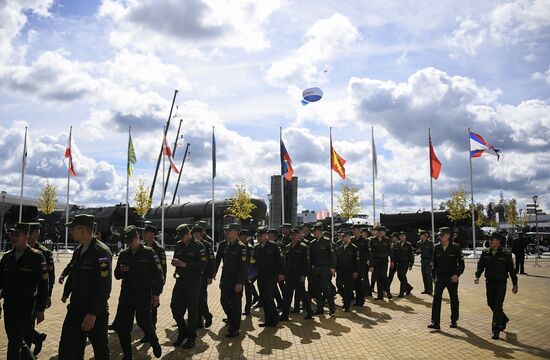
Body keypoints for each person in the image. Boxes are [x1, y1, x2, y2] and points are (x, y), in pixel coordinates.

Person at [58, 214, 112, 359]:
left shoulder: (101, 251)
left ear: (82, 230)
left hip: (95, 312)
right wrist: (66, 292)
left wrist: (93, 313)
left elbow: (104, 286)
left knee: (100, 350)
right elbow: (74, 273)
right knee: (68, 347)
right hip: (76, 307)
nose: (71, 232)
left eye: (73, 229)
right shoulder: (78, 250)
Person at [114, 225, 163, 359]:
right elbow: (116, 274)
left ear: (137, 238)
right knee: (123, 327)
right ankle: (127, 355)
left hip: (143, 294)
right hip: (126, 295)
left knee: (144, 323)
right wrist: (120, 271)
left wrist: (156, 294)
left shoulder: (149, 252)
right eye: (127, 242)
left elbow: (158, 275)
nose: (129, 244)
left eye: (131, 240)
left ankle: (155, 342)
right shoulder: (124, 254)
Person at [1, 223, 48, 360]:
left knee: (15, 340)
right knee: (15, 339)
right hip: (9, 304)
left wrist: (40, 309)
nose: (13, 238)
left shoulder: (37, 257)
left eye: (17, 235)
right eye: (12, 234)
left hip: (26, 305)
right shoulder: (7, 257)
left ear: (26, 236)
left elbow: (43, 285)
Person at [475, 232, 519, 340]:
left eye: (492, 239)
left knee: (498, 305)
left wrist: (515, 284)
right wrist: (477, 276)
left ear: (498, 241)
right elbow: (480, 265)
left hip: (501, 283)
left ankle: (496, 330)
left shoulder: (506, 254)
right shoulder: (485, 252)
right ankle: (503, 319)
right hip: (489, 282)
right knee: (491, 303)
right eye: (490, 239)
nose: (490, 241)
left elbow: (512, 271)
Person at [171, 224, 208, 349]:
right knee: (174, 306)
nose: (181, 238)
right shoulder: (179, 245)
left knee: (192, 310)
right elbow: (177, 258)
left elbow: (203, 265)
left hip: (193, 282)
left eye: (183, 236)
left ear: (188, 234)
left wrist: (185, 265)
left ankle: (191, 338)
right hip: (181, 281)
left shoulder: (199, 246)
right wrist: (176, 265)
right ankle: (183, 331)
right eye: (179, 236)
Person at [428, 227, 465, 330]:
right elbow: (434, 264)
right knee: (436, 299)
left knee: (453, 299)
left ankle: (454, 320)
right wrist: (433, 276)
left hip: (451, 278)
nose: (439, 237)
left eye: (441, 235)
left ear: (448, 236)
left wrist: (457, 275)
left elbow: (461, 264)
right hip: (440, 277)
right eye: (439, 235)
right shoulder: (437, 247)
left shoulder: (456, 247)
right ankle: (435, 322)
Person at [27, 222, 54, 356]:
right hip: (21, 295)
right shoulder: (21, 250)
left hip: (36, 295)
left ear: (36, 234)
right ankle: (37, 337)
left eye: (29, 233)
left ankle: (34, 341)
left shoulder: (45, 253)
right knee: (22, 326)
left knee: (24, 327)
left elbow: (50, 277)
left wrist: (48, 296)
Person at [216, 223, 247, 338]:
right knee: (223, 301)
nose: (227, 233)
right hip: (226, 280)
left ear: (235, 232)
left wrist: (240, 283)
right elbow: (225, 266)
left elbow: (243, 267)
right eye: (226, 231)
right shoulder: (227, 245)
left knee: (236, 305)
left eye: (229, 231)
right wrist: (221, 280)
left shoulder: (241, 247)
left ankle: (234, 328)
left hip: (236, 281)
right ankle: (232, 319)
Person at [140, 224, 167, 341]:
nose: (144, 235)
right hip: (142, 284)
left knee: (152, 310)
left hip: (153, 284)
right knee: (143, 310)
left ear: (152, 235)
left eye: (146, 233)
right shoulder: (142, 247)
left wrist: (159, 288)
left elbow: (163, 270)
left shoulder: (159, 250)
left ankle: (151, 333)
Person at [255, 226, 285, 327]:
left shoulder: (274, 246)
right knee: (263, 298)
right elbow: (254, 263)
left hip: (271, 275)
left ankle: (275, 317)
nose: (258, 237)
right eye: (258, 235)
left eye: (260, 235)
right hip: (261, 276)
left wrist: (281, 273)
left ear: (265, 235)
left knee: (268, 296)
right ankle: (268, 320)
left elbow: (281, 260)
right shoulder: (257, 248)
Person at [280, 228, 313, 320]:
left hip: (299, 275)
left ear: (299, 235)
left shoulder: (303, 247)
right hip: (289, 275)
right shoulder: (287, 247)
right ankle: (285, 315)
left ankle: (309, 312)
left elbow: (307, 263)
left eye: (295, 235)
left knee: (303, 295)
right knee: (287, 296)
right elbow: (285, 262)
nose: (293, 236)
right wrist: (284, 273)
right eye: (292, 235)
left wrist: (304, 275)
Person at [309, 222, 337, 315]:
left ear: (320, 231)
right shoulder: (312, 243)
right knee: (316, 289)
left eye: (315, 231)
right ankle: (319, 309)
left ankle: (332, 307)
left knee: (325, 288)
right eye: (313, 231)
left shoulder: (327, 242)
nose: (314, 233)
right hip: (316, 269)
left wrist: (332, 267)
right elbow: (311, 257)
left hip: (325, 268)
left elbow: (332, 255)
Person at [191, 225, 215, 329]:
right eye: (194, 234)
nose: (195, 236)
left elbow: (211, 262)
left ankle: (207, 315)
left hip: (203, 276)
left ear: (201, 234)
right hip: (192, 276)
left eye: (197, 234)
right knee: (194, 299)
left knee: (201, 298)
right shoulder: (190, 244)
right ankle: (198, 322)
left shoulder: (207, 245)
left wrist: (210, 276)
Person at [335, 230, 359, 312]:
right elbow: (336, 259)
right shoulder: (339, 247)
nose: (343, 238)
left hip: (350, 271)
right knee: (339, 286)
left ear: (349, 237)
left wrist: (356, 271)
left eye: (345, 236)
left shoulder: (354, 248)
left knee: (348, 288)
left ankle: (347, 305)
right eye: (342, 236)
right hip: (340, 271)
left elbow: (357, 261)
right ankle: (346, 299)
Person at [370, 226, 393, 300]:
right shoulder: (373, 240)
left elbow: (390, 251)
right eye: (383, 231)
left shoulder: (387, 240)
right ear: (379, 231)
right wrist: (371, 263)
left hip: (384, 261)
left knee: (383, 276)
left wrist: (392, 261)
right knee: (377, 278)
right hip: (376, 261)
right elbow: (370, 252)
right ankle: (380, 296)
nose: (384, 233)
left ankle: (388, 291)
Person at [351, 224, 370, 306]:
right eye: (353, 230)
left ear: (359, 231)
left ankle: (360, 300)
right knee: (354, 283)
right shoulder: (352, 240)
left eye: (355, 230)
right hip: (352, 264)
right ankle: (357, 299)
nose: (353, 231)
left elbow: (369, 253)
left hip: (361, 265)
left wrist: (370, 264)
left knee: (359, 282)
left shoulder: (365, 241)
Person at [391, 231, 414, 297]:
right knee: (399, 276)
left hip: (405, 262)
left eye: (403, 236)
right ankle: (408, 287)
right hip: (398, 263)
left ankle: (401, 292)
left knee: (402, 275)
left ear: (405, 237)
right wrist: (392, 262)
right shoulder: (396, 244)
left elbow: (411, 255)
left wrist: (411, 264)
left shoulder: (408, 245)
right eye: (400, 236)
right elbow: (393, 254)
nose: (401, 237)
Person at [416, 230, 434, 295]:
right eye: (421, 236)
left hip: (429, 260)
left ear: (426, 236)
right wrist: (418, 251)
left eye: (423, 236)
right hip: (423, 260)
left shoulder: (430, 243)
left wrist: (432, 261)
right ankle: (426, 289)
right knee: (424, 275)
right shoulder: (419, 243)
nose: (422, 237)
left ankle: (430, 290)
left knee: (428, 274)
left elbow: (433, 253)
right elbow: (417, 252)